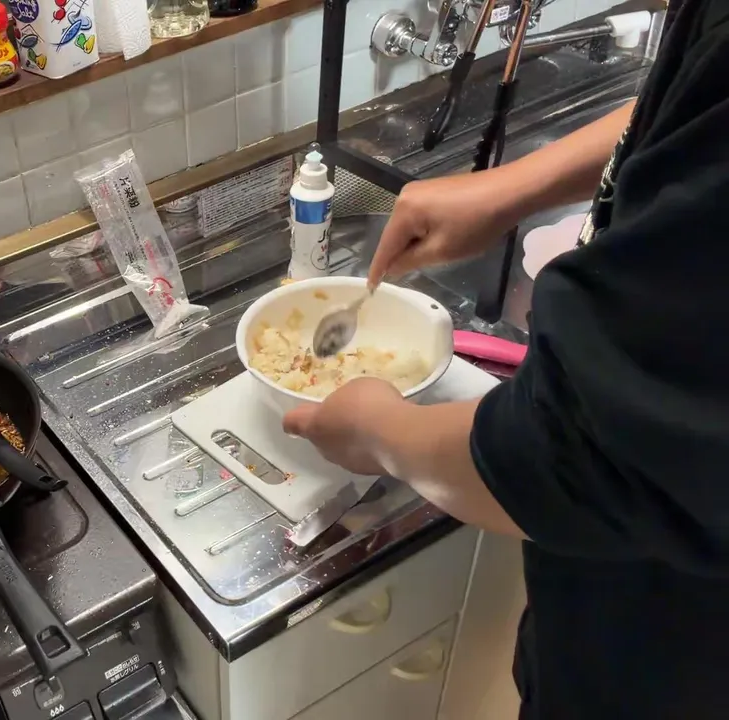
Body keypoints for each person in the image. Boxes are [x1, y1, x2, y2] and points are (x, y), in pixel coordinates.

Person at [282, 0, 729, 717]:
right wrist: (514, 186)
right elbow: (687, 114)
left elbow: (577, 454)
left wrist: (379, 434)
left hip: (669, 659)